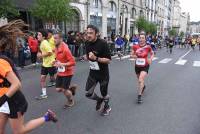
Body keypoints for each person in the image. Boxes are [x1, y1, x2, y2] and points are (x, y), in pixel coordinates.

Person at [0, 19, 57, 134]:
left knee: (19, 131)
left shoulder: (1, 62)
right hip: (4, 100)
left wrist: (2, 99)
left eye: (39, 34)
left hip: (13, 101)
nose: (37, 36)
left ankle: (47, 117)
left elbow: (16, 84)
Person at [84, 25, 112, 116]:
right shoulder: (87, 43)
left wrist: (96, 58)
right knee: (88, 93)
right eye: (87, 33)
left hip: (103, 74)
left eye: (91, 33)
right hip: (93, 73)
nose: (88, 35)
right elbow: (89, 56)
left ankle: (107, 107)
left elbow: (108, 60)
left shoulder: (103, 43)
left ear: (96, 34)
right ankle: (99, 100)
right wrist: (87, 57)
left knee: (104, 93)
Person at [53, 32, 77, 108]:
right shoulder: (56, 47)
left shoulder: (66, 50)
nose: (54, 40)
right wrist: (55, 62)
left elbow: (73, 62)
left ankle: (70, 101)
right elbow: (59, 59)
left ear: (61, 39)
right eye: (54, 38)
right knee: (57, 89)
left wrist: (62, 64)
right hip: (60, 72)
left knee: (64, 90)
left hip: (68, 72)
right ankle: (71, 88)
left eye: (56, 38)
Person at [131, 31, 154, 104]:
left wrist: (150, 58)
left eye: (142, 38)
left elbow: (152, 53)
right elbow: (131, 55)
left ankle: (139, 96)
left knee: (141, 79)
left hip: (145, 66)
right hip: (137, 66)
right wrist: (135, 56)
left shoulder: (148, 47)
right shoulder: (135, 46)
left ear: (145, 39)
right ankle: (143, 86)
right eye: (140, 38)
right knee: (139, 80)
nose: (141, 39)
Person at [35, 30, 56, 100]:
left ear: (43, 36)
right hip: (45, 64)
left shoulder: (45, 43)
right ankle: (44, 94)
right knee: (42, 79)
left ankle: (61, 83)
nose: (37, 36)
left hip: (50, 64)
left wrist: (41, 55)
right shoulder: (42, 43)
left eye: (39, 35)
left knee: (53, 78)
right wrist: (40, 54)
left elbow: (50, 52)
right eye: (37, 35)